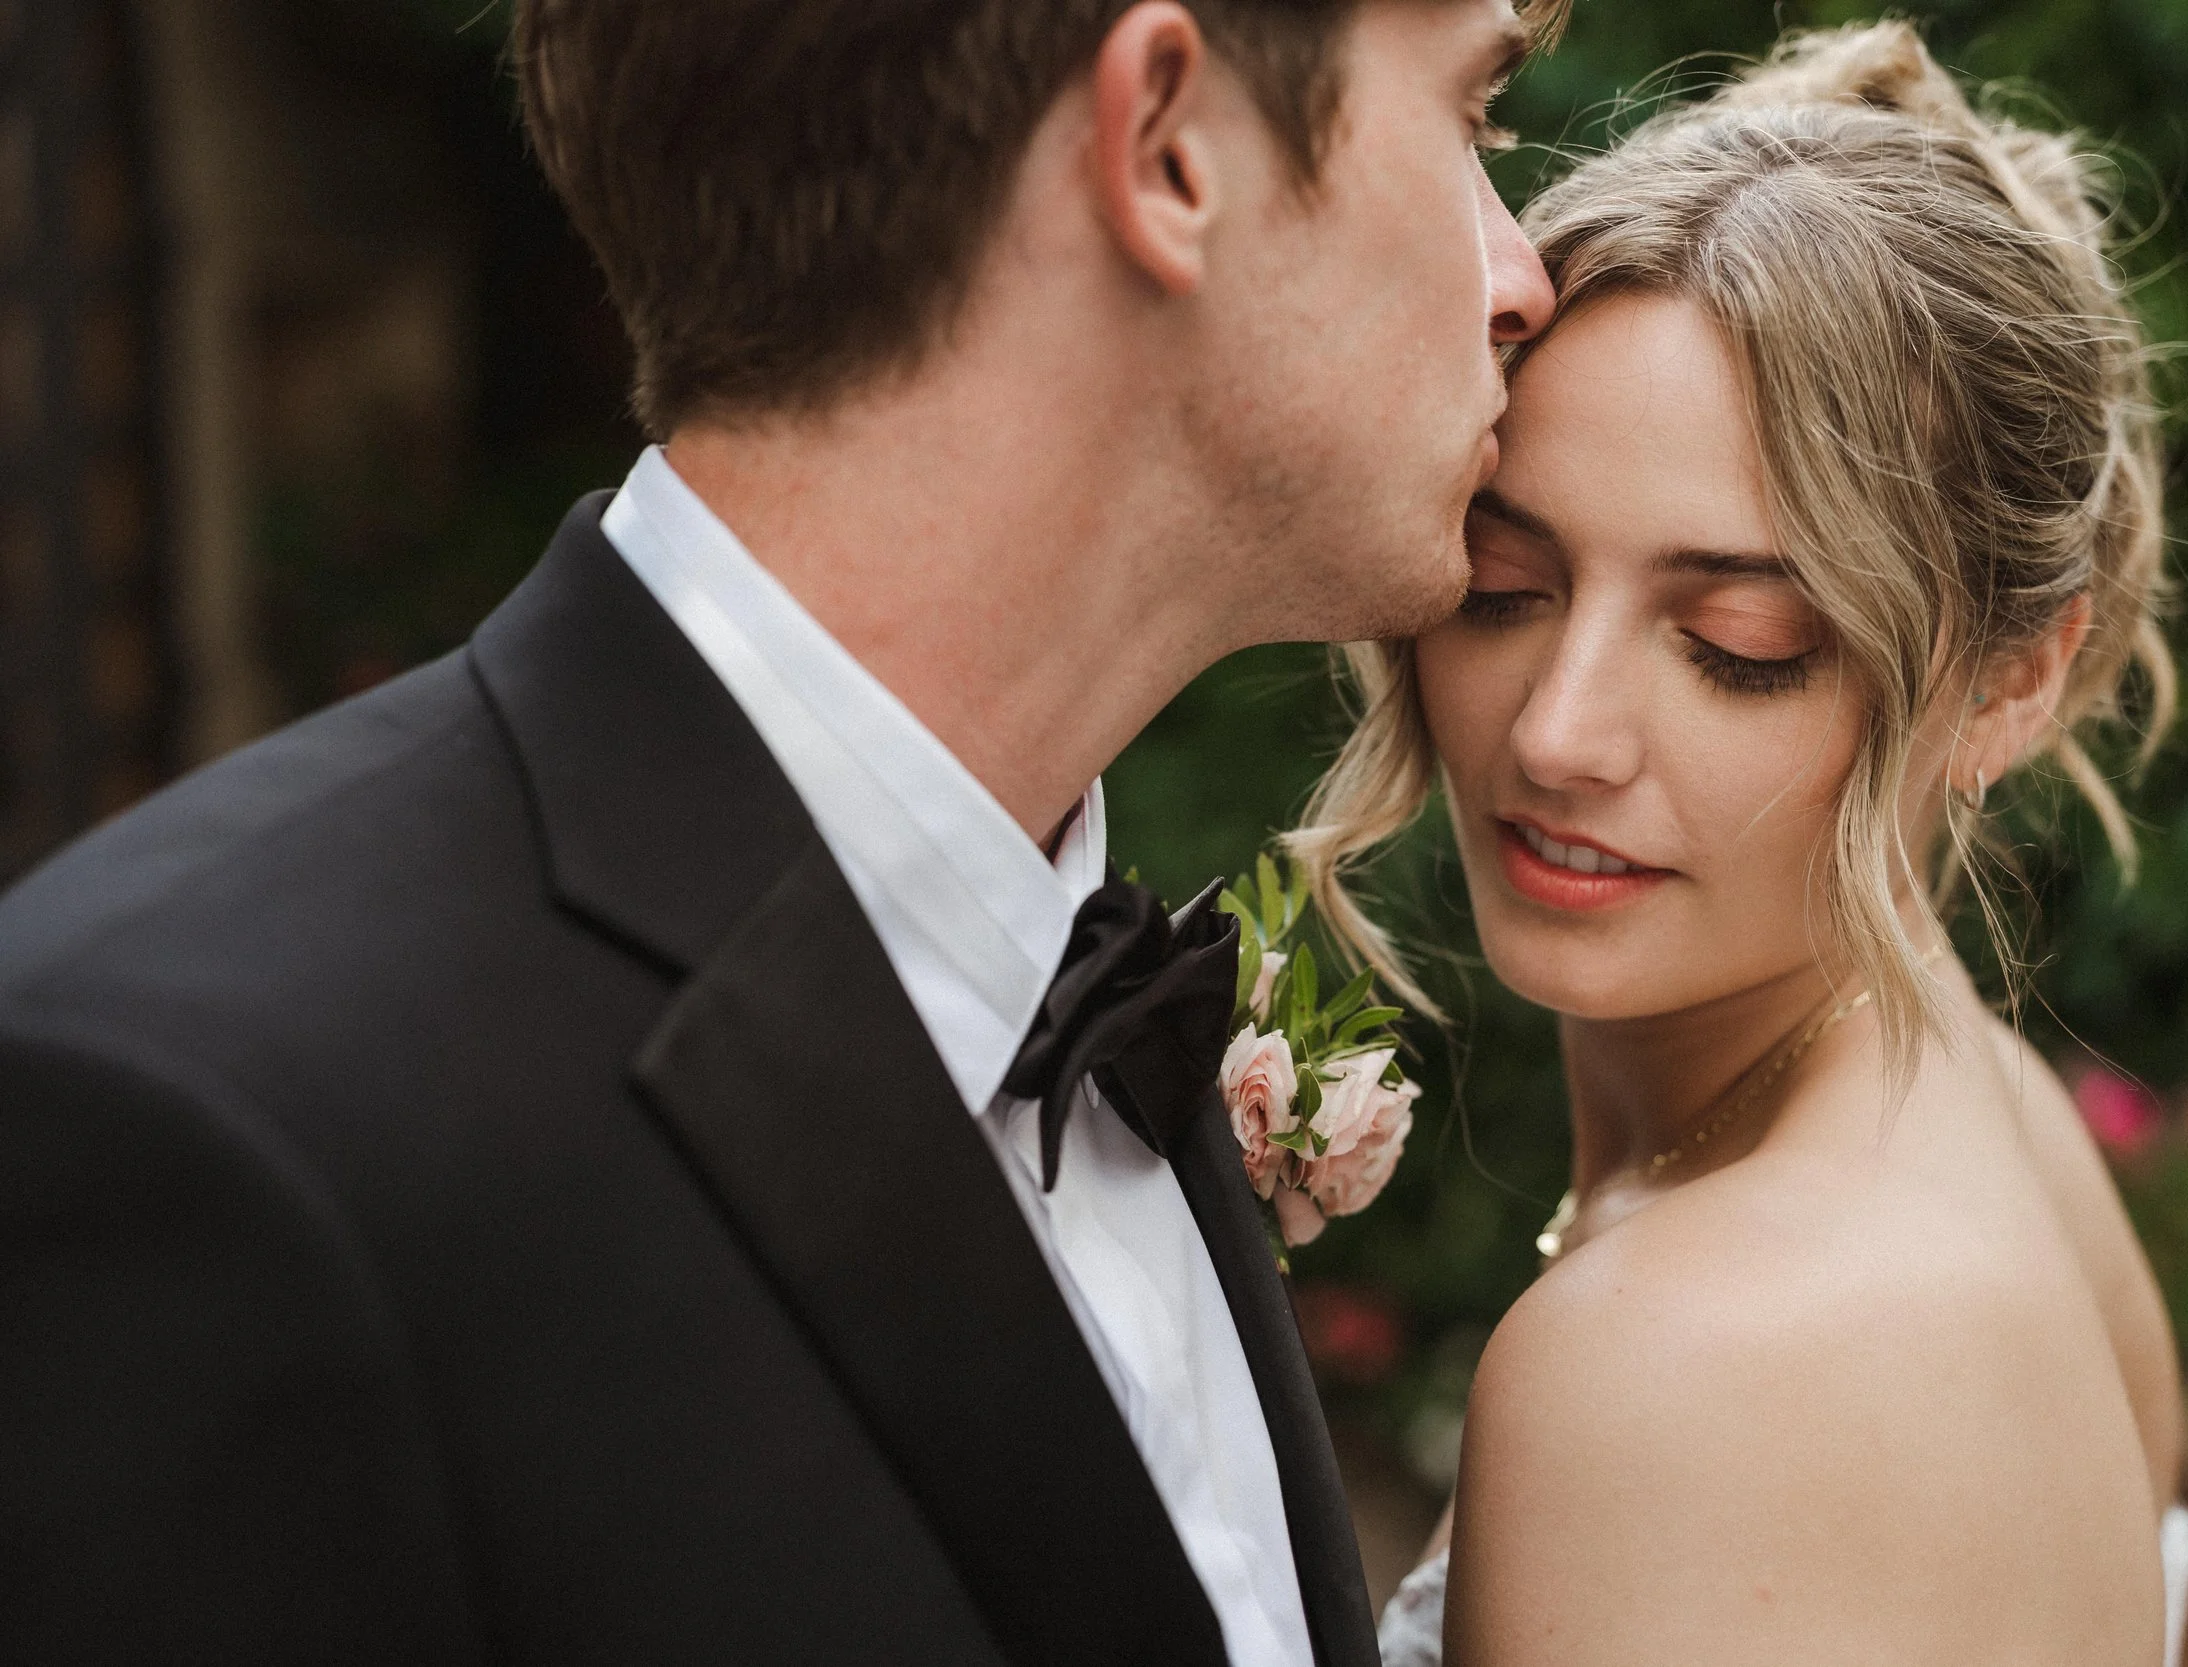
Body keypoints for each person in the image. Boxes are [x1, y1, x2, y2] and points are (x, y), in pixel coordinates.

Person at [0, 2, 1560, 1661]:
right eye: (1471, 116)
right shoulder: (199, 1133)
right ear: (1169, 145)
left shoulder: (1101, 1008)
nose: (1522, 274)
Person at [1290, 23, 2188, 1666]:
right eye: (1506, 583)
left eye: (1739, 643)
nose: (1559, 732)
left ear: (2012, 680)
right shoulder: (2004, 1125)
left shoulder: (1675, 1352)